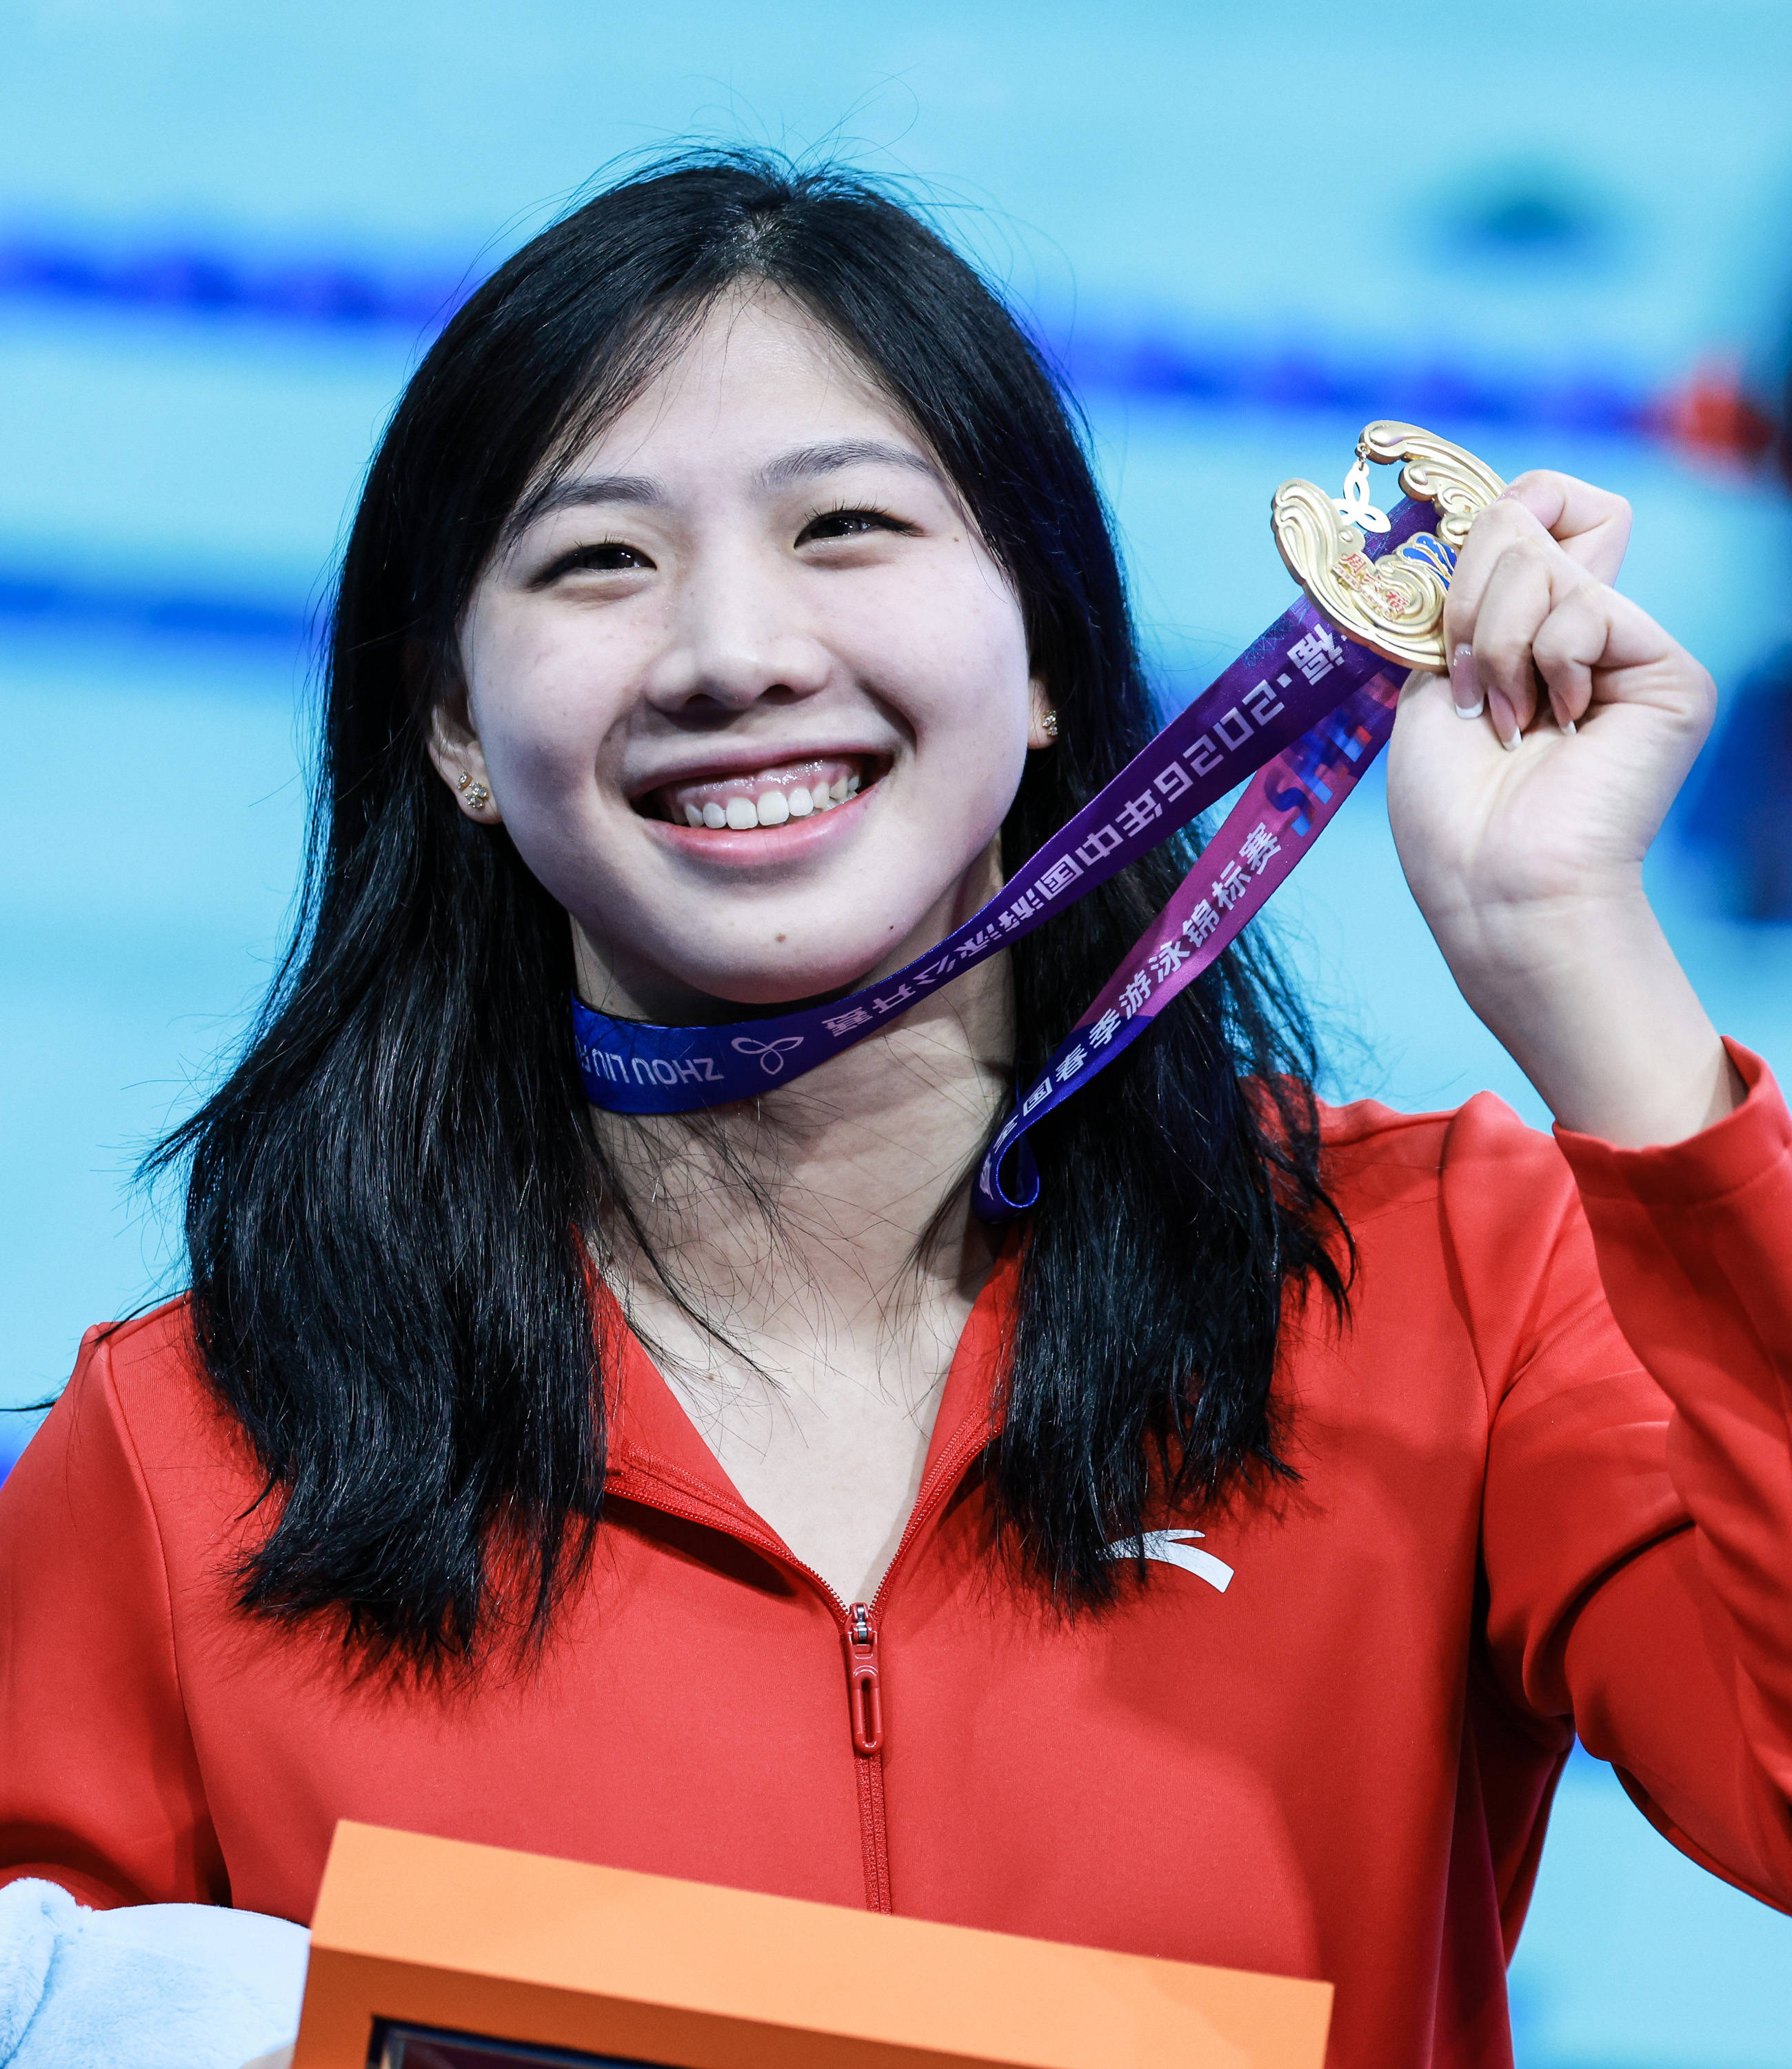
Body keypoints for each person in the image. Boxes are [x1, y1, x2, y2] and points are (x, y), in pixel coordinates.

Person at [1, 154, 1788, 2069]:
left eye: (846, 526)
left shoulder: (1433, 1288)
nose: (735, 653)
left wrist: (1575, 965)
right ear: (455, 728)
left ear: (1044, 657)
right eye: (600, 559)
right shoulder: (192, 1454)